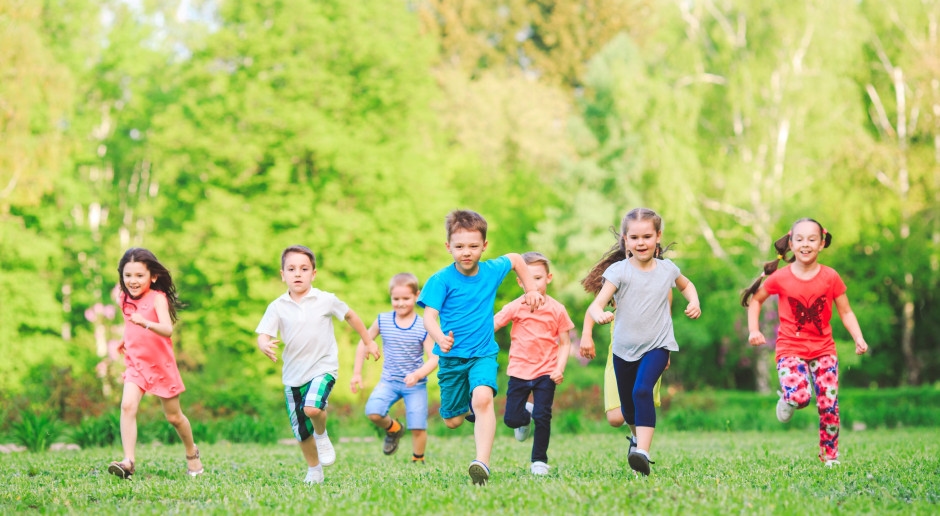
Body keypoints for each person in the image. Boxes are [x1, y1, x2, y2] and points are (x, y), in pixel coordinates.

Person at [418, 209, 545, 485]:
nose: (467, 252)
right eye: (460, 246)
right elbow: (429, 316)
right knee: (452, 420)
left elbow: (514, 259)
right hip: (451, 358)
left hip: (483, 354)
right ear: (448, 246)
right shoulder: (441, 280)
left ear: (484, 246)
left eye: (474, 246)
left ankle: (481, 463)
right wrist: (439, 337)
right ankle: (468, 410)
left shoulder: (489, 271)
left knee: (483, 399)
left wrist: (530, 289)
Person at [741, 218, 869, 466]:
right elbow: (756, 300)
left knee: (829, 405)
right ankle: (788, 398)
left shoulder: (831, 277)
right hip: (790, 349)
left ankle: (830, 457)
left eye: (812, 239)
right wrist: (753, 330)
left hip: (824, 350)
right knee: (800, 397)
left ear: (822, 243)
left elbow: (845, 311)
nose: (805, 244)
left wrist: (858, 337)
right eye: (799, 239)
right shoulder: (781, 278)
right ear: (791, 243)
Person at [585, 208, 701, 476]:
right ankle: (637, 441)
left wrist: (693, 301)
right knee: (627, 409)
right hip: (624, 350)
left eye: (647, 236)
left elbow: (686, 285)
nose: (641, 243)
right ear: (626, 239)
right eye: (634, 237)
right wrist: (599, 313)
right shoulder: (619, 271)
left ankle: (643, 453)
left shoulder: (667, 269)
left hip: (657, 346)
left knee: (641, 391)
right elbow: (596, 305)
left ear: (658, 236)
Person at [256, 245, 380, 485]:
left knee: (312, 408)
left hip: (323, 367)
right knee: (301, 431)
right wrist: (263, 344)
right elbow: (263, 333)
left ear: (314, 273)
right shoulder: (277, 306)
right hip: (293, 375)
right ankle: (314, 469)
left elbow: (351, 316)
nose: (298, 274)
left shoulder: (325, 300)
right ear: (282, 275)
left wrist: (368, 342)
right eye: (291, 269)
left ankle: (322, 434)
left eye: (304, 268)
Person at [107, 248, 204, 480]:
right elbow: (129, 323)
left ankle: (192, 452)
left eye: (139, 275)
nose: (133, 281)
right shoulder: (124, 297)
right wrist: (124, 339)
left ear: (152, 276)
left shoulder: (157, 298)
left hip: (161, 365)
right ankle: (128, 461)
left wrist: (145, 323)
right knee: (127, 406)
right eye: (128, 275)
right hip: (136, 363)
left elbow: (167, 329)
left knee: (174, 417)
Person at [494, 252, 574, 476]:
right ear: (520, 282)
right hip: (519, 371)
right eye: (528, 279)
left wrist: (559, 368)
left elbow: (565, 343)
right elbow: (493, 325)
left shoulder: (557, 309)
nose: (534, 284)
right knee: (511, 419)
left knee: (543, 415)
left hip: (546, 372)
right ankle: (524, 415)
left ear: (548, 278)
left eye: (538, 278)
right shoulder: (515, 306)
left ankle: (539, 460)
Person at [350, 273, 439, 463]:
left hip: (415, 384)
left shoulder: (424, 325)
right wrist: (357, 373)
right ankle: (394, 429)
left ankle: (418, 459)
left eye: (406, 298)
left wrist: (418, 374)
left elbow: (434, 358)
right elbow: (363, 342)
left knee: (417, 426)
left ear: (417, 296)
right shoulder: (383, 320)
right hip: (388, 381)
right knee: (373, 412)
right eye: (395, 299)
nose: (400, 303)